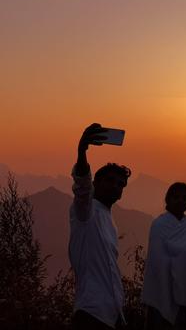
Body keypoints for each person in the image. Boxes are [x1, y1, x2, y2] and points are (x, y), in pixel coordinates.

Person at [69, 123, 131, 329]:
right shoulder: (85, 211)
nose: (115, 186)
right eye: (110, 181)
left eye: (120, 184)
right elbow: (82, 188)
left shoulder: (109, 218)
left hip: (109, 316)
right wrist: (82, 151)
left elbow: (110, 272)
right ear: (96, 181)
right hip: (89, 314)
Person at [142, 182, 186, 330]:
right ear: (167, 199)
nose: (180, 201)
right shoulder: (159, 224)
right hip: (162, 288)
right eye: (176, 197)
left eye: (185, 198)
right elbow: (158, 261)